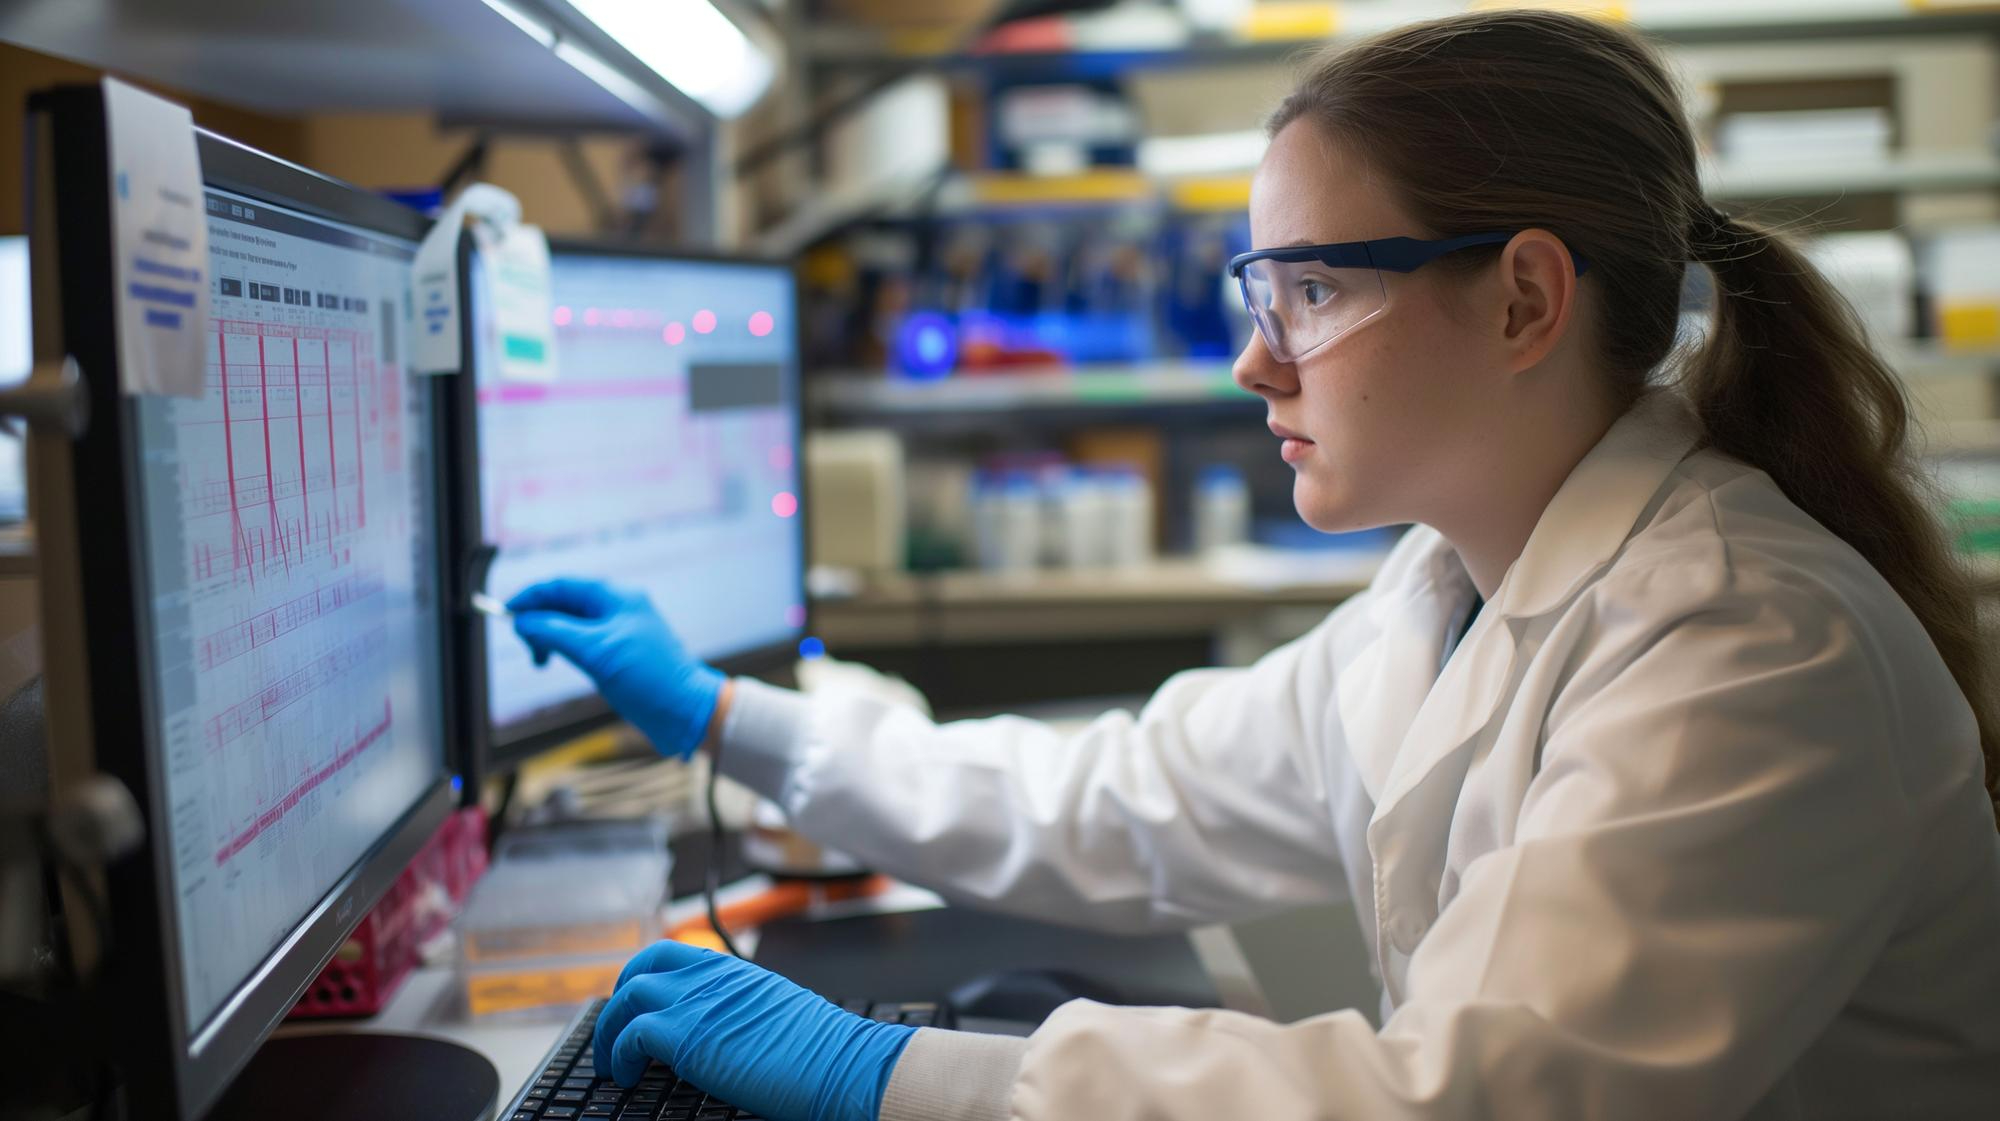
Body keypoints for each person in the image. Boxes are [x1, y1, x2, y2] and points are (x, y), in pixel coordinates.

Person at [507, 10, 2000, 1120]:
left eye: (1313, 289)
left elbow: (1468, 1099)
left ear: (1525, 299)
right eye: (1260, 288)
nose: (1251, 358)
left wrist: (896, 1071)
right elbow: (1115, 800)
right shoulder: (1442, 588)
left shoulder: (1751, 646)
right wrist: (727, 719)